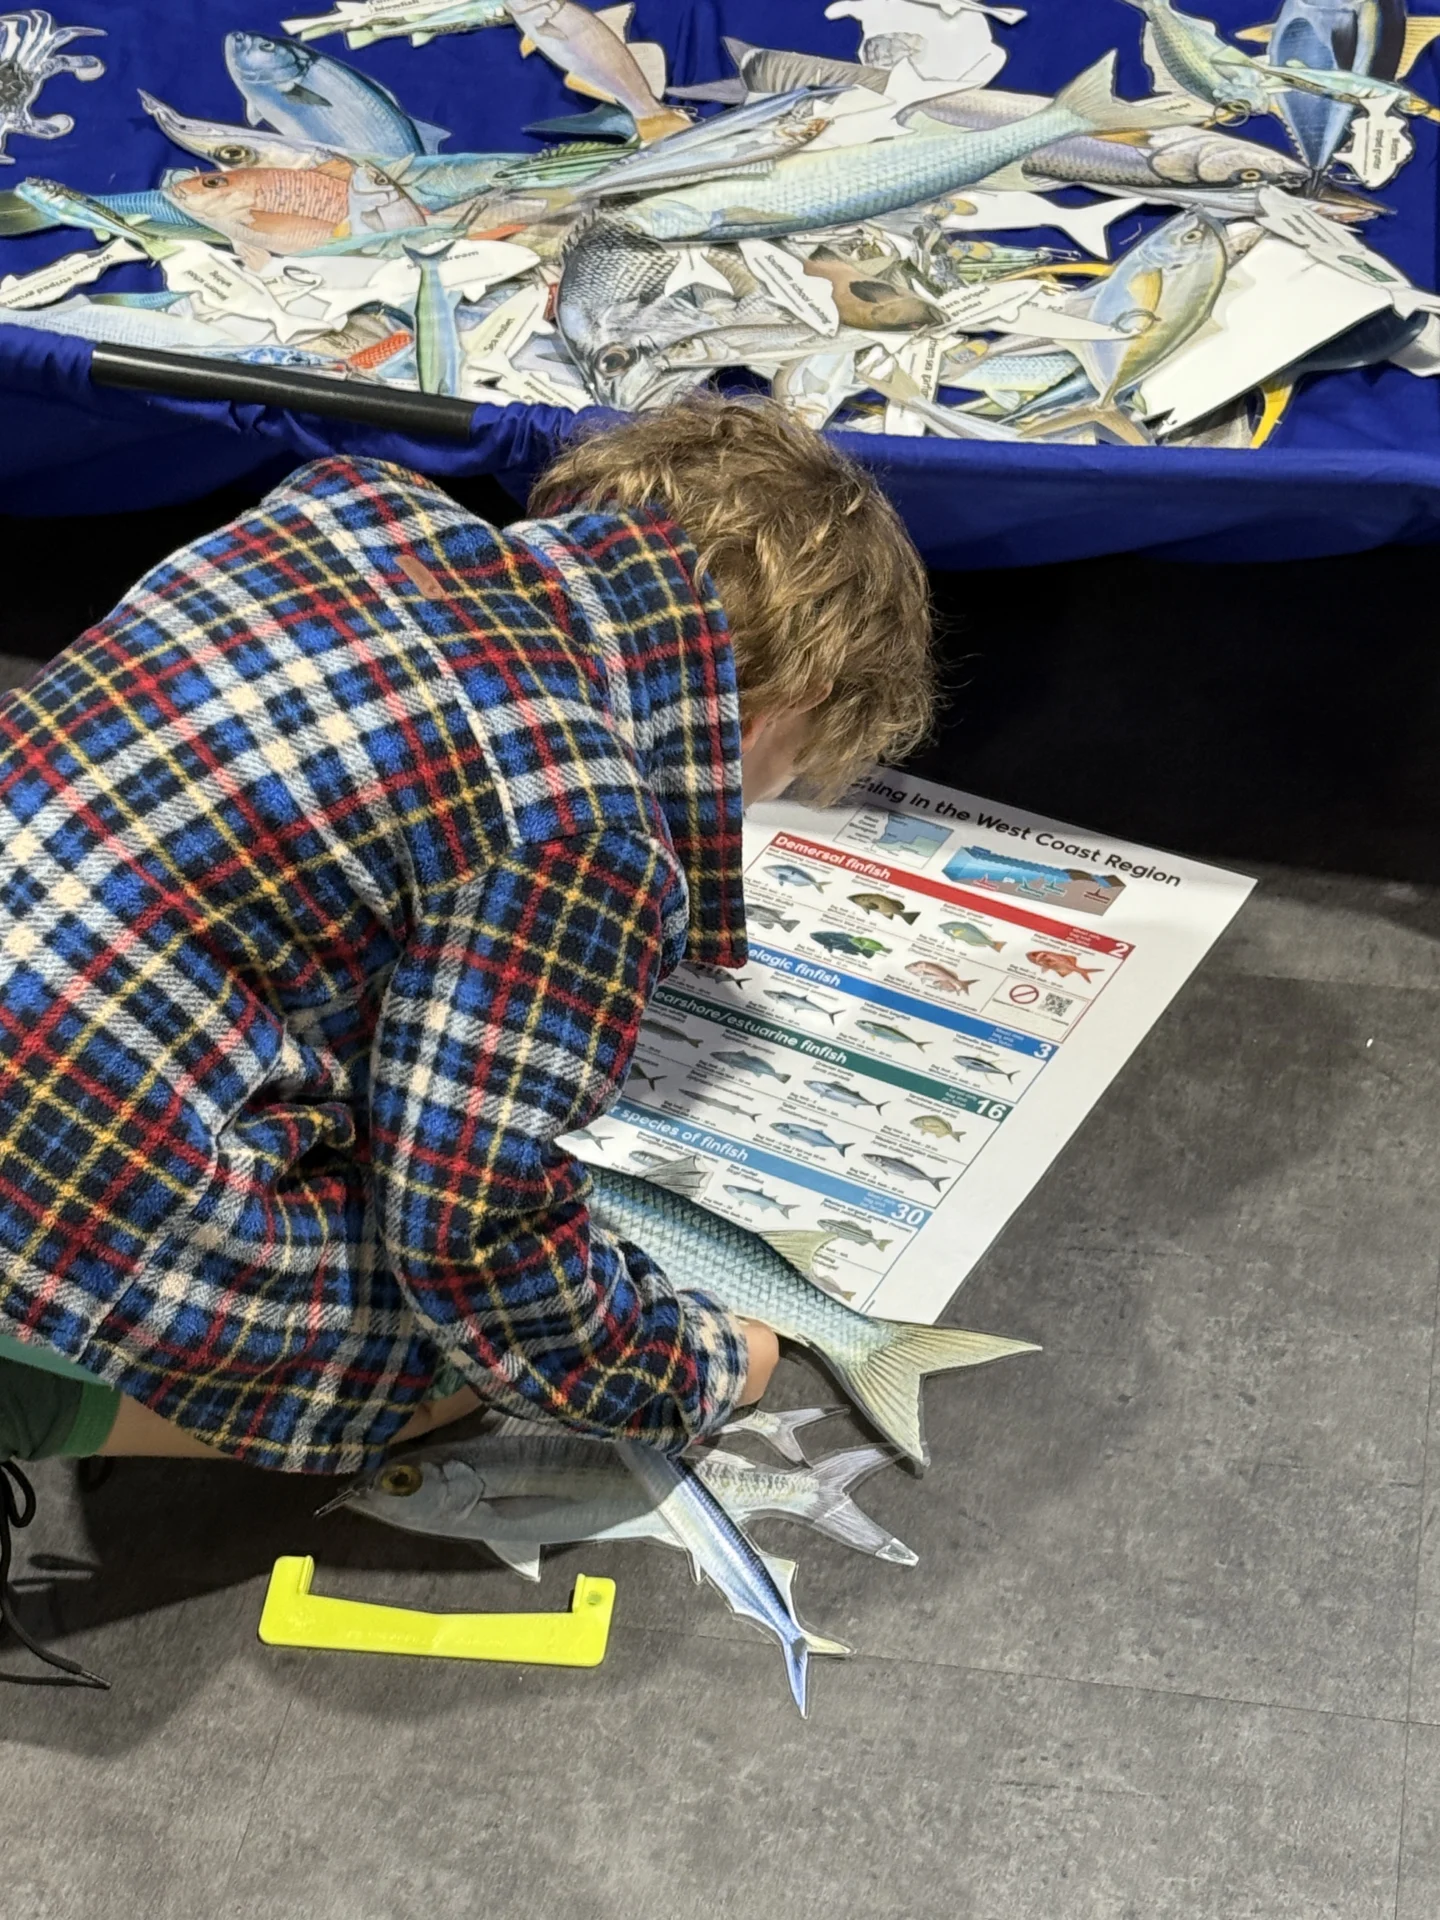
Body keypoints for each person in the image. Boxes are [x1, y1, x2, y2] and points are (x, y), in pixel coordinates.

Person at [0, 395, 934, 1682]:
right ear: (792, 702)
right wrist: (690, 1365)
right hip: (46, 1186)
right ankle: (39, 1385)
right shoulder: (584, 819)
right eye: (778, 785)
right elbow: (472, 1233)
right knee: (449, 1360)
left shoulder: (338, 510)